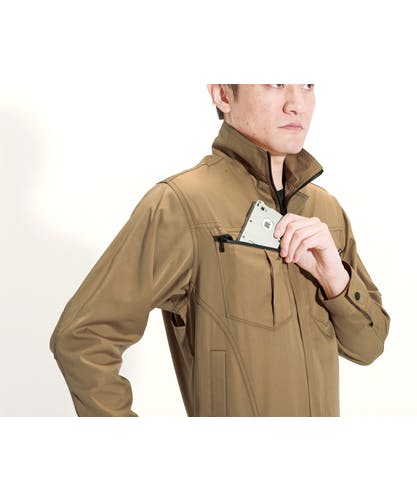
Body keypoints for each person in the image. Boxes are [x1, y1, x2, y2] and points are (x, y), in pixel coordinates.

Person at [49, 84, 390, 417]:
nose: (296, 104)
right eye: (275, 83)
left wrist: (335, 279)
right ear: (223, 94)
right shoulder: (182, 204)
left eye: (307, 85)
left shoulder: (325, 211)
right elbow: (83, 338)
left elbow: (369, 346)